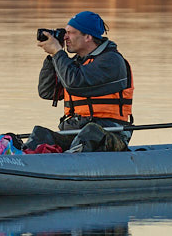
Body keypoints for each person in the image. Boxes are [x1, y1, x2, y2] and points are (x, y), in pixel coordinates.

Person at [27, 10, 134, 153]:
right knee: (40, 134)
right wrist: (52, 58)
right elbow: (46, 92)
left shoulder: (111, 61)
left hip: (110, 134)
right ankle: (19, 163)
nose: (65, 37)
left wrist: (58, 53)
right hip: (74, 132)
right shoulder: (75, 63)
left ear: (88, 36)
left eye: (70, 33)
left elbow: (74, 83)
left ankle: (67, 165)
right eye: (65, 32)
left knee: (91, 132)